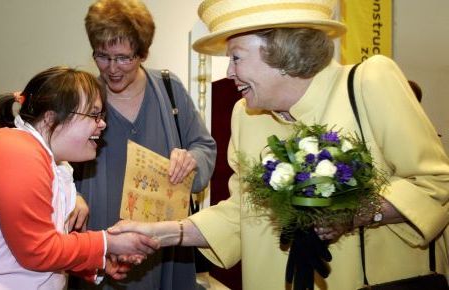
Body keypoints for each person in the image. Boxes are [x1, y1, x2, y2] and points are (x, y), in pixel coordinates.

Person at [108, 0, 449, 289]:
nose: (229, 72)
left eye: (237, 57)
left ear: (280, 51)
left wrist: (356, 214)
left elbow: (435, 184)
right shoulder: (245, 115)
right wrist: (159, 234)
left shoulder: (368, 82)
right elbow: (240, 213)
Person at [70, 0, 217, 289]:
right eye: (102, 56)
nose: (112, 69)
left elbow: (204, 146)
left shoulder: (168, 89)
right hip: (104, 247)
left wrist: (192, 161)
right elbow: (53, 161)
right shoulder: (82, 96)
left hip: (164, 250)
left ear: (143, 53)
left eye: (124, 58)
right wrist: (68, 194)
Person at [0, 66, 159, 290]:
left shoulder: (54, 163)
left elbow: (40, 245)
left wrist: (96, 262)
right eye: (94, 115)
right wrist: (108, 243)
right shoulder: (16, 151)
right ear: (50, 119)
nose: (103, 124)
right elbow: (36, 251)